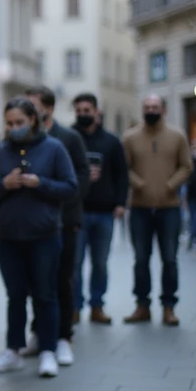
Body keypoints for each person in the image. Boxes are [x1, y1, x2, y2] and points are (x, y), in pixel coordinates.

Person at [0, 98, 77, 378]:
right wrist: (5, 184)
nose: (14, 128)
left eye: (19, 123)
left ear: (33, 121)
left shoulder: (53, 148)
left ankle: (48, 350)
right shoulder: (1, 151)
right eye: (10, 123)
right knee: (15, 295)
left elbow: (71, 186)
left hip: (45, 236)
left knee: (45, 293)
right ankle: (13, 349)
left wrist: (41, 183)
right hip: (10, 236)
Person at [25, 87, 89, 366]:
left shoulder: (69, 138)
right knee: (36, 280)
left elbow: (82, 175)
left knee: (62, 280)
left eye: (32, 105)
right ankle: (39, 332)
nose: (27, 110)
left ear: (48, 108)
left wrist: (67, 202)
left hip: (64, 221)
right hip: (34, 221)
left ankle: (63, 336)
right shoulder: (26, 137)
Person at [123, 95, 193, 326]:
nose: (150, 110)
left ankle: (168, 307)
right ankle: (142, 306)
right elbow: (123, 167)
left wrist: (171, 185)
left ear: (163, 109)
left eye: (155, 107)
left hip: (169, 208)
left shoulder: (177, 135)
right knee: (141, 259)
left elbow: (187, 166)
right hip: (140, 208)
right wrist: (138, 184)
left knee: (170, 259)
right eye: (146, 107)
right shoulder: (130, 137)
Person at [72, 93, 129, 324]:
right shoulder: (70, 137)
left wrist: (120, 203)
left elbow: (121, 174)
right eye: (79, 111)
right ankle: (75, 306)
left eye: (87, 110)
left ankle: (97, 305)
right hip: (78, 210)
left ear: (96, 111)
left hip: (105, 212)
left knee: (100, 263)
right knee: (75, 263)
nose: (83, 114)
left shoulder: (112, 141)